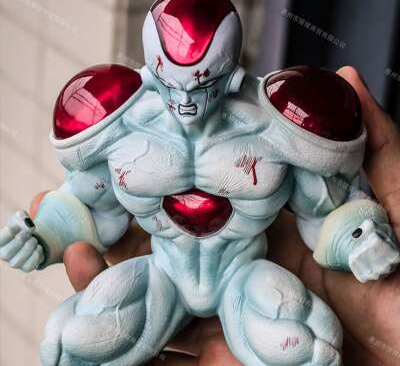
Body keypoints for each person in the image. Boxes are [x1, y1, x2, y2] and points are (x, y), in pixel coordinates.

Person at [28, 66, 400, 365]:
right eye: (172, 79)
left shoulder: (273, 125)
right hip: (162, 274)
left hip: (242, 273)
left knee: (307, 348)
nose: (185, 99)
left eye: (201, 78)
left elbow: (325, 213)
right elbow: (87, 206)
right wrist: (41, 236)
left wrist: (362, 239)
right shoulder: (127, 125)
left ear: (230, 71)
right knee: (72, 344)